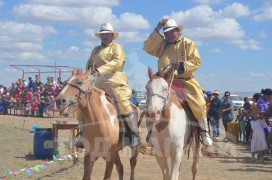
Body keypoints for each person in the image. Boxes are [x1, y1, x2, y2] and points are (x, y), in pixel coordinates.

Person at [143, 19, 212, 146]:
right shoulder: (163, 44)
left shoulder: (188, 43)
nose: (168, 36)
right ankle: (151, 132)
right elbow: (147, 47)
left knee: (198, 102)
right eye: (166, 33)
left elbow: (196, 61)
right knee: (152, 102)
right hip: (165, 81)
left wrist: (181, 65)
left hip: (185, 81)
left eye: (171, 33)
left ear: (178, 31)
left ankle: (204, 131)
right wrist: (157, 28)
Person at [75, 23, 140, 149]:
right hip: (97, 82)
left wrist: (100, 70)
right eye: (102, 34)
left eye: (107, 34)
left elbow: (117, 62)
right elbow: (88, 65)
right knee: (83, 104)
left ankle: (133, 135)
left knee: (123, 102)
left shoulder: (117, 48)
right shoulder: (95, 50)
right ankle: (83, 135)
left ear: (112, 35)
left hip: (115, 81)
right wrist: (91, 66)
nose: (104, 36)